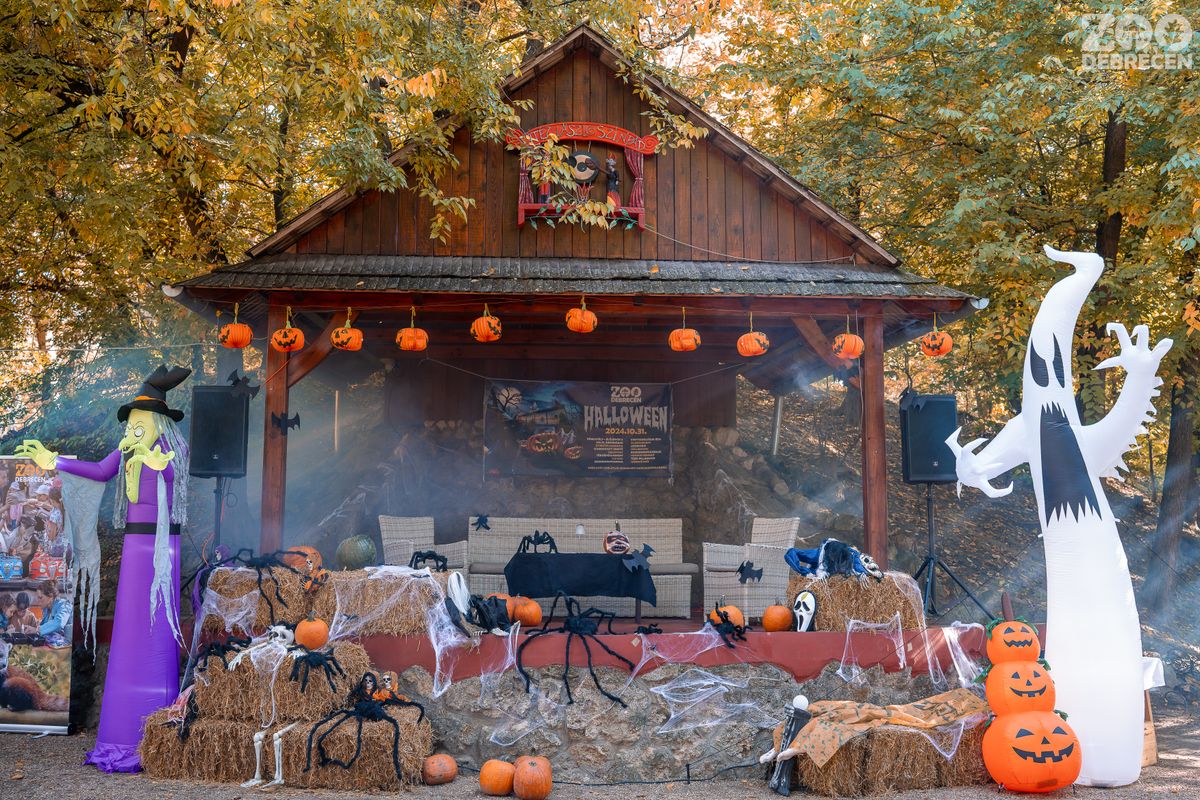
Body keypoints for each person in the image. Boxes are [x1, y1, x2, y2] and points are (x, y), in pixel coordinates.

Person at [38, 580, 72, 647]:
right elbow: (45, 626)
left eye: (40, 597)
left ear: (50, 597)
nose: (38, 600)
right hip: (56, 644)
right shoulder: (46, 609)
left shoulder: (65, 605)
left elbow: (59, 623)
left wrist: (37, 630)